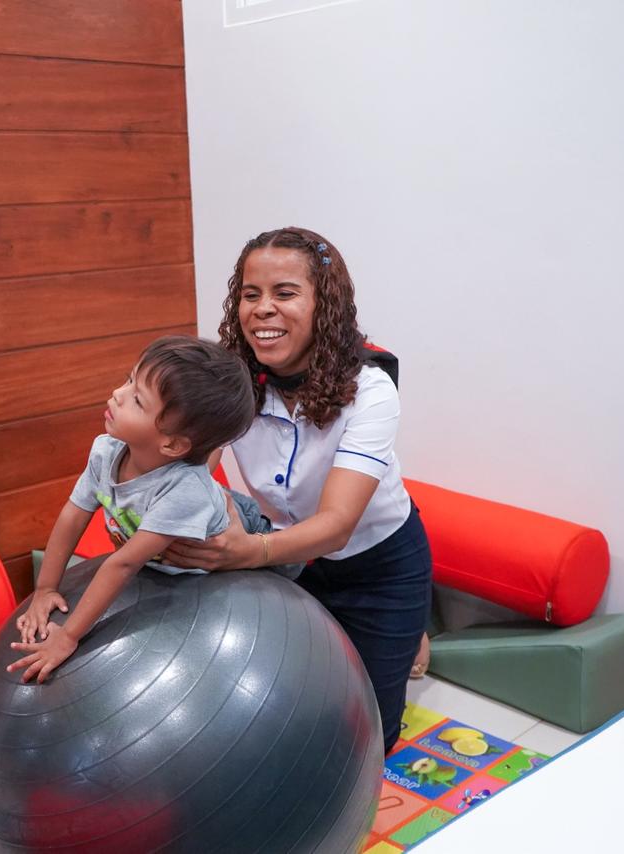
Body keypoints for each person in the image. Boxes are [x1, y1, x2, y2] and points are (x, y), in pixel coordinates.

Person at [162, 227, 433, 753]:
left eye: (284, 293)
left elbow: (336, 526)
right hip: (288, 562)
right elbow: (192, 467)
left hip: (379, 567)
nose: (263, 309)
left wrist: (245, 552)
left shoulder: (371, 389)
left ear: (323, 304)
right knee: (292, 708)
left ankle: (410, 627)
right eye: (251, 294)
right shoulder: (232, 381)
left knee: (368, 738)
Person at [7, 335, 297, 684]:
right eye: (129, 380)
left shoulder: (184, 492)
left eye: (137, 400)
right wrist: (45, 589)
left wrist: (68, 637)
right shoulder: (106, 451)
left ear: (172, 444)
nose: (118, 393)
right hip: (180, 537)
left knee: (290, 575)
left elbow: (124, 563)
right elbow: (73, 514)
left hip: (241, 529)